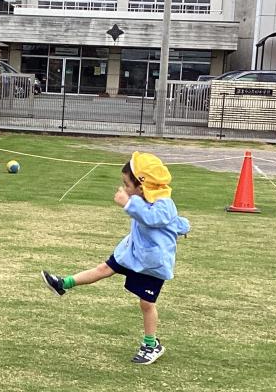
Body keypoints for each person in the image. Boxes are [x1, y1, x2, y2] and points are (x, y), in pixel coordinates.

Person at [41, 152, 190, 365]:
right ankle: (62, 284)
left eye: (127, 185)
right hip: (132, 253)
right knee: (104, 268)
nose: (124, 189)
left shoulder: (164, 203)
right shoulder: (144, 198)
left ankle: (151, 345)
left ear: (142, 186)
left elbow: (154, 218)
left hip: (152, 263)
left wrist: (128, 205)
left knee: (146, 303)